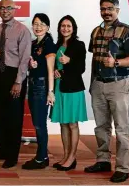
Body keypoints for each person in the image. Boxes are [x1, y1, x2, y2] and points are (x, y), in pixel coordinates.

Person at [84, 0, 129, 183]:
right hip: (99, 84)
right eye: (103, 9)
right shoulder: (96, 32)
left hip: (119, 85)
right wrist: (92, 84)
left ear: (117, 10)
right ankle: (103, 160)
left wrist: (115, 62)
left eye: (110, 8)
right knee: (101, 127)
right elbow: (94, 59)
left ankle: (123, 168)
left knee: (121, 128)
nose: (106, 12)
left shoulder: (127, 30)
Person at [0, 0, 31, 169]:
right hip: (1, 74)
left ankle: (12, 156)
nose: (5, 11)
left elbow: (25, 58)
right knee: (0, 115)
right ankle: (2, 150)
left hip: (15, 76)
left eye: (8, 8)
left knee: (14, 118)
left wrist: (18, 82)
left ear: (14, 9)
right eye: (2, 8)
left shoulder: (22, 30)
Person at [50, 15, 88, 171]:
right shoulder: (56, 44)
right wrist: (55, 71)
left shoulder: (79, 45)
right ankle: (65, 156)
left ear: (73, 28)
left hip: (73, 89)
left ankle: (72, 157)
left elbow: (81, 69)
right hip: (59, 87)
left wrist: (69, 61)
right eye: (63, 26)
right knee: (63, 123)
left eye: (69, 26)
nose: (65, 28)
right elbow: (52, 64)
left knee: (72, 124)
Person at [22, 13, 55, 170]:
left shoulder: (49, 44)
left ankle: (42, 157)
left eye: (42, 24)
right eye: (35, 24)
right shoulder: (34, 43)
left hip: (42, 87)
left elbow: (50, 70)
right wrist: (31, 65)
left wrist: (50, 91)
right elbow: (35, 64)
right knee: (37, 123)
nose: (38, 27)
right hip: (33, 84)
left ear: (48, 27)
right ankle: (42, 155)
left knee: (40, 124)